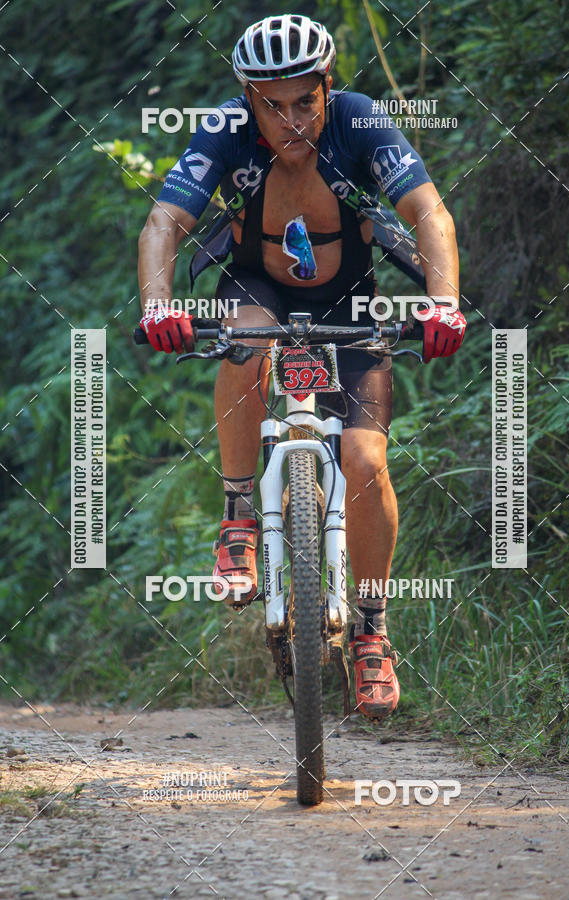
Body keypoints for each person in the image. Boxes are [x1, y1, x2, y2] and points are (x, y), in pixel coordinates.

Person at [137, 14, 466, 720]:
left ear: (327, 87)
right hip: (258, 287)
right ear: (249, 99)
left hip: (350, 299)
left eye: (305, 102)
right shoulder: (225, 131)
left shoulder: (362, 122)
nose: (291, 120)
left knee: (366, 456)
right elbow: (164, 222)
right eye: (272, 104)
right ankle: (237, 519)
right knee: (242, 338)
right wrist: (158, 304)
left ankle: (373, 630)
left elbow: (429, 212)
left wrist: (444, 305)